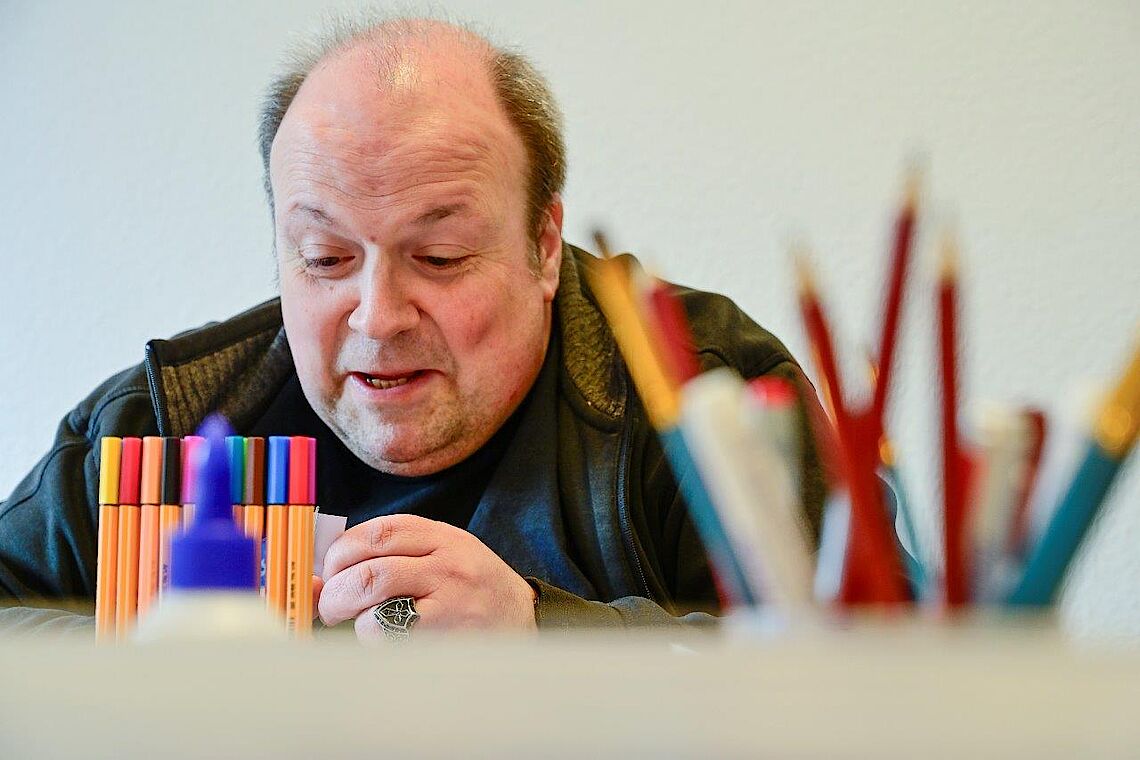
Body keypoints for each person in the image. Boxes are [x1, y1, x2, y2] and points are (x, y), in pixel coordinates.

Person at [0, 17, 826, 636]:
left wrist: (544, 632)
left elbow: (844, 675)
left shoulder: (704, 394)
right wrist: (147, 662)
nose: (379, 315)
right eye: (325, 258)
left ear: (544, 245)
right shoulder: (161, 424)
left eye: (439, 256)